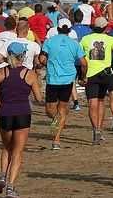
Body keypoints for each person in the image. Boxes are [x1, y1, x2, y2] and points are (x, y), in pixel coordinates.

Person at [0, 42, 43, 198]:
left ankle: (2, 176)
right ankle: (11, 188)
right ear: (23, 55)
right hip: (22, 113)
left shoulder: (1, 72)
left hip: (5, 112)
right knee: (18, 152)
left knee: (7, 148)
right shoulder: (29, 74)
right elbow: (39, 98)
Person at [39, 19, 87, 150]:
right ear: (70, 30)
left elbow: (42, 59)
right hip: (67, 80)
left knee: (50, 109)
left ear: (58, 29)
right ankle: (57, 133)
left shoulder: (49, 41)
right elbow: (83, 63)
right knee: (62, 109)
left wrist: (45, 64)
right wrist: (83, 76)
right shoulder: (75, 44)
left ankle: (56, 140)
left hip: (53, 79)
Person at [80, 17, 113, 144]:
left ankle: (96, 130)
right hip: (106, 74)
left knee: (92, 104)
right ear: (106, 28)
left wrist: (81, 74)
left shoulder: (86, 39)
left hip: (91, 74)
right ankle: (99, 129)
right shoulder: (111, 39)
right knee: (101, 101)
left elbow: (79, 55)